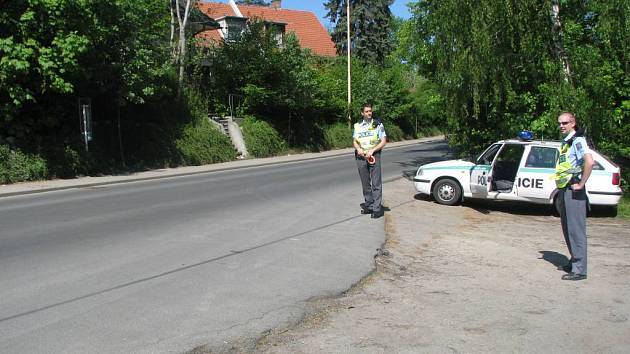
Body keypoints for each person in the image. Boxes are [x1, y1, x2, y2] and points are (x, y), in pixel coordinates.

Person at [553, 112, 594, 281]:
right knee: (568, 228)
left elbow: (590, 162)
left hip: (574, 189)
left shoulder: (578, 140)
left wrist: (581, 184)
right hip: (565, 188)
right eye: (560, 123)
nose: (561, 125)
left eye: (565, 123)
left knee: (576, 230)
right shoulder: (567, 141)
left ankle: (580, 270)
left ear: (573, 123)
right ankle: (574, 261)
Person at [353, 103, 387, 219]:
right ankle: (369, 205)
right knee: (365, 183)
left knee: (376, 183)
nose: (369, 113)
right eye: (367, 111)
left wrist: (373, 150)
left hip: (374, 155)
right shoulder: (357, 126)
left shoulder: (378, 124)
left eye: (370, 111)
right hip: (361, 157)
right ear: (362, 113)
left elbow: (383, 141)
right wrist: (358, 149)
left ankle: (377, 209)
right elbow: (355, 141)